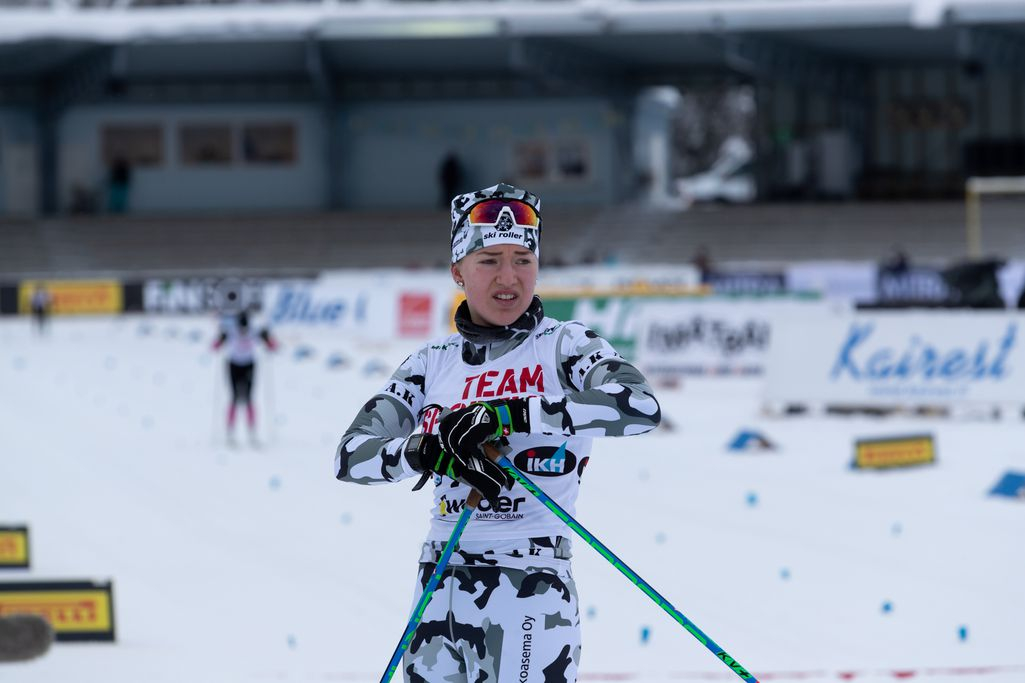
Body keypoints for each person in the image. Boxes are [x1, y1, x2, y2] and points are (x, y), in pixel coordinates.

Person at [334, 183, 661, 682]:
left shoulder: (564, 345)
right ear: (457, 271)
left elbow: (639, 405)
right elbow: (351, 456)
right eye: (488, 260)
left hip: (529, 586)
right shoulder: (430, 364)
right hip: (439, 580)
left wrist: (512, 413)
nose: (508, 278)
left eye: (522, 259)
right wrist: (427, 452)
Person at [212, 311, 278, 446]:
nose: (242, 332)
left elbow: (273, 346)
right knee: (234, 397)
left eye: (244, 329)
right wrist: (220, 337)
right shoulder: (230, 332)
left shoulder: (254, 332)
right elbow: (214, 347)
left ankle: (252, 432)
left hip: (249, 366)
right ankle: (230, 433)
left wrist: (267, 336)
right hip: (233, 366)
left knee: (248, 398)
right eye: (240, 329)